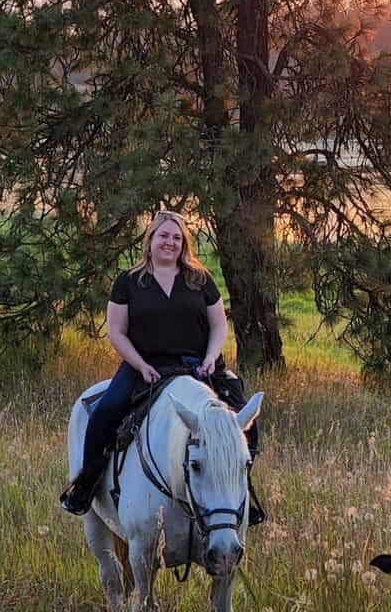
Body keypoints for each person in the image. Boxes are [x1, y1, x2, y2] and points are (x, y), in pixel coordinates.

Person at [60, 210, 261, 519]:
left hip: (198, 365)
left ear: (184, 243)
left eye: (177, 237)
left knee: (246, 418)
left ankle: (239, 491)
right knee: (105, 411)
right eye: (164, 236)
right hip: (146, 365)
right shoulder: (128, 282)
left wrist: (210, 357)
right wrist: (139, 364)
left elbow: (219, 325)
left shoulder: (200, 279)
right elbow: (116, 331)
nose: (170, 243)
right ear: (150, 239)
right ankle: (86, 485)